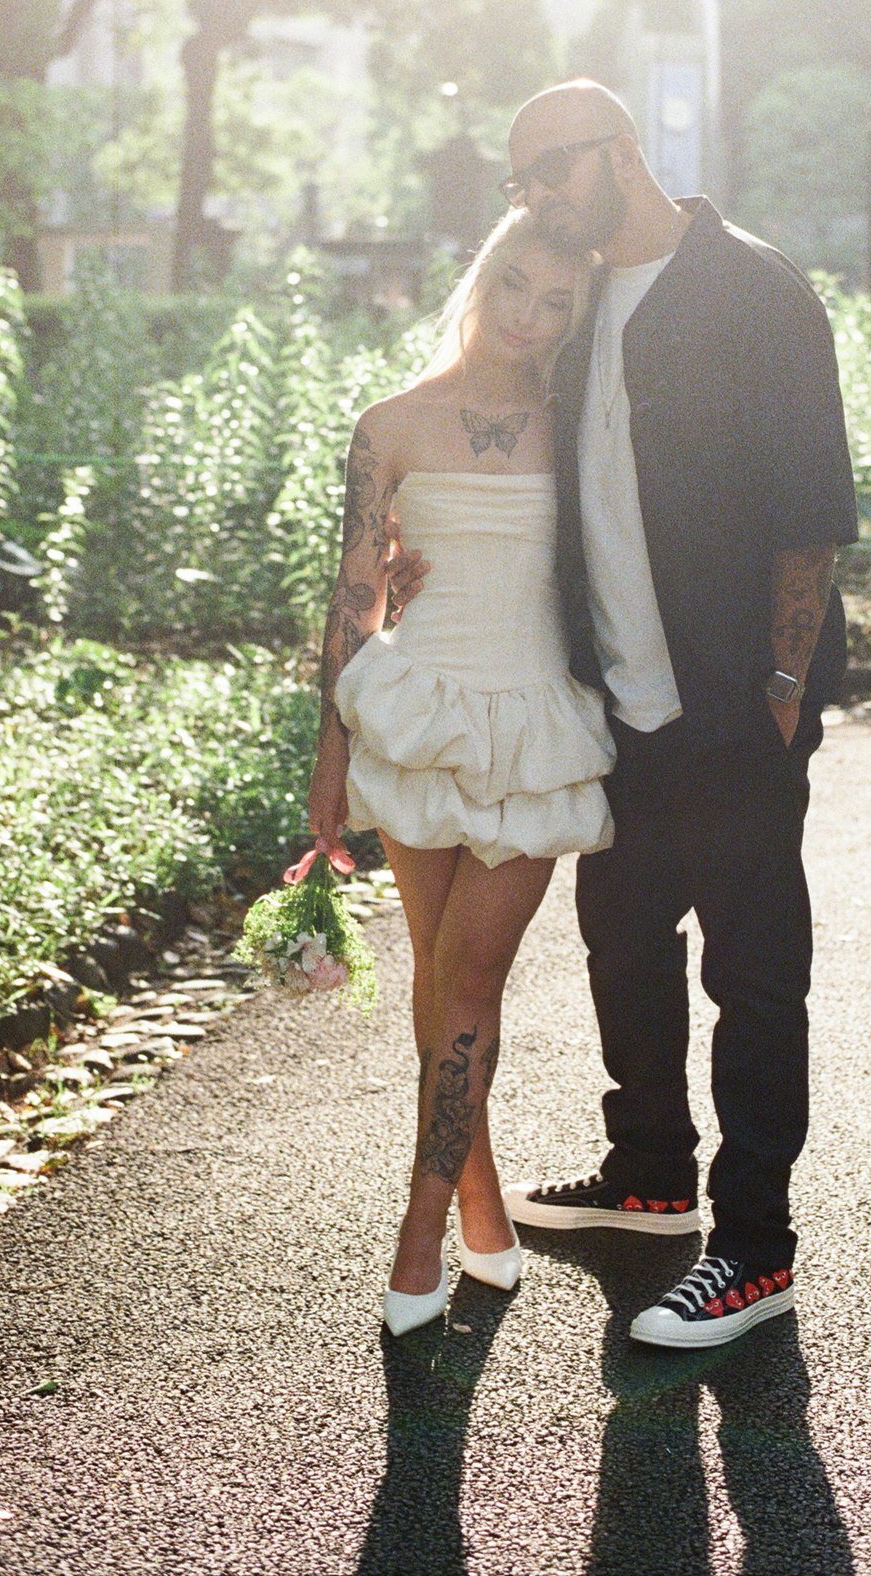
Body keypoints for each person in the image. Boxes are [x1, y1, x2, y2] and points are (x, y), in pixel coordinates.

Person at [391, 79, 859, 1350]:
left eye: (549, 166)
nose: (534, 197)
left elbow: (811, 505)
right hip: (619, 709)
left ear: (618, 149)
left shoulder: (755, 289)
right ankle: (650, 1174)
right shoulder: (582, 303)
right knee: (622, 933)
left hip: (734, 706)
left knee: (753, 975)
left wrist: (776, 689)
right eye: (518, 181)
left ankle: (752, 1248)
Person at [306, 208, 614, 1337]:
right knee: (438, 983)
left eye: (556, 303)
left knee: (470, 982)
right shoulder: (387, 424)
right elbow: (352, 600)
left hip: (533, 728)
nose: (529, 318)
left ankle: (419, 1225)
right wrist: (328, 755)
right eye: (516, 287)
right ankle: (482, 1205)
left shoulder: (584, 428)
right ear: (481, 279)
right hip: (414, 716)